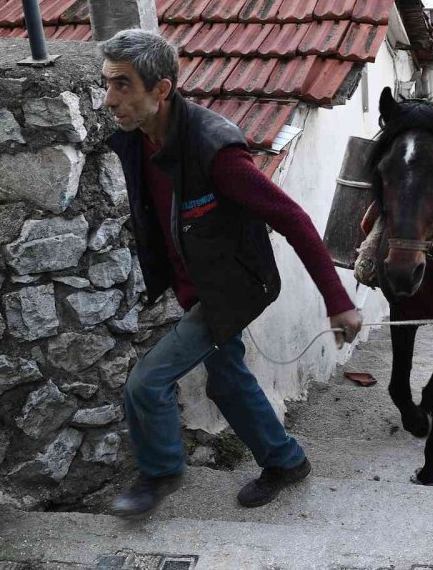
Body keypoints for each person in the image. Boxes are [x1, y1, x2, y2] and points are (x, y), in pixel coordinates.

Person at [100, 29, 363, 518]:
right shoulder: (135, 137)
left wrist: (338, 301)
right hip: (197, 285)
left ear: (161, 90)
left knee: (146, 382)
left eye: (122, 85)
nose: (109, 100)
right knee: (226, 379)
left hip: (234, 290)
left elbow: (294, 220)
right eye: (108, 84)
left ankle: (158, 474)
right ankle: (285, 461)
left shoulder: (215, 150)